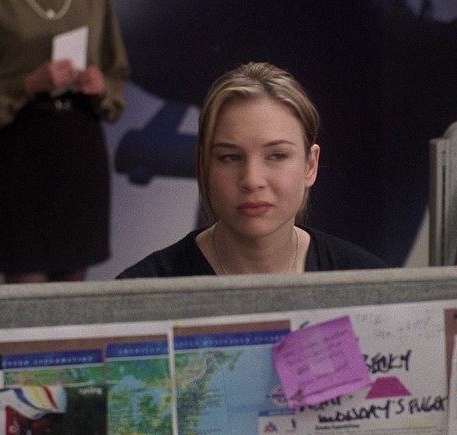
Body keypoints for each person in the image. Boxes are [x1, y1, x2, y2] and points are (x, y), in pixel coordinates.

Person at [117, 62, 389, 278]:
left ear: (310, 165)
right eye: (230, 157)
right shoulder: (140, 294)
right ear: (203, 166)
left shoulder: (368, 283)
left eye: (277, 155)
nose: (252, 180)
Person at [0, 0, 130, 283]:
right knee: (28, 293)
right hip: (20, 150)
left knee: (73, 293)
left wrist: (101, 86)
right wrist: (26, 84)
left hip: (80, 146)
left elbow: (117, 73)